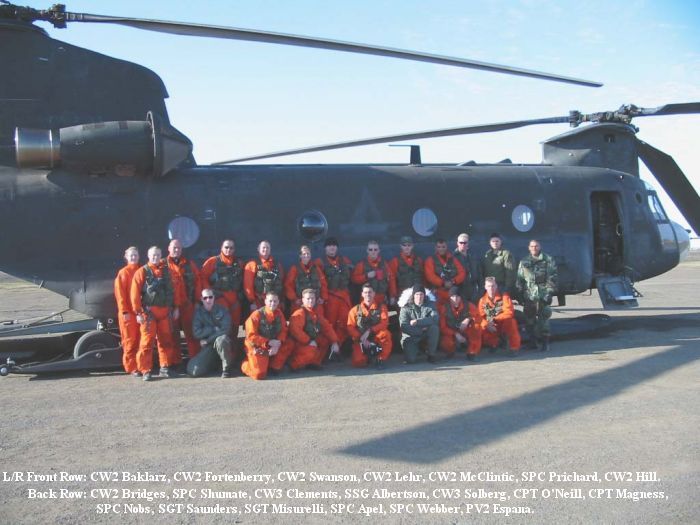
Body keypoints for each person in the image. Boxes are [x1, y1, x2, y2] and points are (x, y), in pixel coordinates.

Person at [130, 246, 181, 381]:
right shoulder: (142, 272)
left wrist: (175, 307)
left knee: (166, 341)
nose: (155, 257)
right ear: (148, 256)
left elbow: (173, 290)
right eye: (153, 255)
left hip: (165, 312)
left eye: (158, 255)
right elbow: (134, 294)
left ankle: (165, 367)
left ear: (161, 256)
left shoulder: (166, 272)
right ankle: (145, 370)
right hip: (149, 313)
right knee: (146, 342)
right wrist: (138, 312)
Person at [516, 239, 558, 351]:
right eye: (532, 246)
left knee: (544, 319)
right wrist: (520, 292)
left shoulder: (548, 260)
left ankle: (545, 343)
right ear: (529, 247)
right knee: (529, 320)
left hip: (542, 294)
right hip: (529, 295)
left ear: (540, 247)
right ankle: (532, 342)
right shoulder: (524, 261)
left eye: (536, 246)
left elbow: (552, 278)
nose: (534, 248)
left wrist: (549, 292)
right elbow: (520, 278)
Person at [241, 291, 291, 379]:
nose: (273, 303)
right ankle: (246, 364)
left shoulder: (279, 314)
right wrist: (269, 343)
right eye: (270, 301)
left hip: (273, 344)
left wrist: (278, 343)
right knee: (259, 375)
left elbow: (284, 330)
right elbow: (251, 336)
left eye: (275, 301)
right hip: (257, 345)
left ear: (278, 302)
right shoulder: (256, 315)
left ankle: (273, 366)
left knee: (289, 343)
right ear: (265, 301)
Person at [287, 289, 340, 371]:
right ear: (303, 300)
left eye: (312, 298)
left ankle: (314, 362)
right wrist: (308, 341)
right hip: (299, 343)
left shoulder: (316, 313)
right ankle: (294, 364)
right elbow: (295, 331)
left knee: (325, 340)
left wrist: (334, 341)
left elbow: (327, 327)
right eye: (308, 299)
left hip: (309, 340)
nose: (310, 301)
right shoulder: (299, 314)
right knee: (311, 349)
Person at [200, 239, 244, 338]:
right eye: (226, 247)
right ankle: (220, 351)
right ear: (221, 248)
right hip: (220, 298)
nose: (228, 250)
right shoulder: (212, 262)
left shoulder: (239, 263)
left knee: (235, 327)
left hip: (235, 299)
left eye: (231, 248)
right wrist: (209, 295)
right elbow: (202, 277)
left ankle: (232, 352)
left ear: (234, 249)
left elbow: (244, 281)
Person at [314, 237, 353, 347]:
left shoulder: (345, 261)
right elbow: (319, 282)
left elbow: (353, 277)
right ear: (325, 248)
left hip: (344, 297)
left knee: (346, 323)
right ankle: (327, 349)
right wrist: (323, 297)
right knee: (329, 325)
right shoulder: (319, 262)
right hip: (330, 297)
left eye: (334, 245)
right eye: (329, 245)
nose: (332, 248)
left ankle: (337, 347)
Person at [166, 239, 201, 358]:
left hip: (187, 304)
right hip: (170, 307)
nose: (176, 250)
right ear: (169, 249)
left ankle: (195, 359)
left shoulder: (189, 264)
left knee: (192, 333)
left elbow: (198, 282)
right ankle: (175, 362)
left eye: (179, 248)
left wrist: (197, 302)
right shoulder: (162, 265)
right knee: (172, 335)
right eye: (174, 248)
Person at [189, 288, 234, 378]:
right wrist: (212, 329)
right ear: (201, 299)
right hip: (208, 347)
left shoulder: (223, 310)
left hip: (218, 343)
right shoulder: (198, 313)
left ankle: (226, 369)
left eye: (210, 297)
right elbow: (196, 333)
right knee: (193, 371)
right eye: (205, 298)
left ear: (214, 298)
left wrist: (208, 339)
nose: (208, 300)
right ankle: (214, 364)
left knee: (222, 340)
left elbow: (226, 329)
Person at [347, 284, 393, 368]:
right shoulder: (354, 310)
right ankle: (368, 358)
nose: (368, 294)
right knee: (358, 362)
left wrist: (370, 330)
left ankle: (380, 359)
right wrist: (361, 338)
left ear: (374, 293)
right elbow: (350, 328)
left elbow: (384, 323)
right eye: (365, 292)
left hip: (376, 337)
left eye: (370, 292)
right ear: (362, 294)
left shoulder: (381, 307)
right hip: (361, 339)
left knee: (385, 334)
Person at [114, 246, 141, 376]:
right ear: (126, 257)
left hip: (140, 313)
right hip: (128, 314)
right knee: (130, 341)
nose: (134, 257)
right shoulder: (123, 273)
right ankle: (131, 367)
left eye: (135, 255)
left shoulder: (142, 271)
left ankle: (142, 365)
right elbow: (120, 295)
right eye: (131, 255)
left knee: (142, 341)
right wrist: (124, 311)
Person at [478, 276, 521, 355]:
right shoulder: (482, 301)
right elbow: (480, 317)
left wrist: (494, 319)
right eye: (489, 286)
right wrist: (487, 324)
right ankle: (494, 344)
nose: (491, 288)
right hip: (491, 326)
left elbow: (509, 312)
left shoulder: (504, 296)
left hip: (503, 324)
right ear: (485, 287)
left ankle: (514, 348)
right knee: (480, 327)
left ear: (496, 286)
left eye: (493, 286)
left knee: (512, 322)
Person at [399, 286, 440, 364]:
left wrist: (418, 322)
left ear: (424, 295)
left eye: (421, 294)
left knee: (434, 328)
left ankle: (431, 354)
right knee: (410, 360)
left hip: (426, 333)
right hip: (410, 336)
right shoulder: (405, 307)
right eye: (417, 294)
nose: (419, 297)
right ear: (413, 295)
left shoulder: (430, 305)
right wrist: (420, 330)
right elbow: (404, 326)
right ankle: (417, 350)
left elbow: (434, 318)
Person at [439, 286, 482, 360]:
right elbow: (442, 327)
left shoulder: (468, 305)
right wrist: (455, 334)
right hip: (451, 332)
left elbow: (478, 317)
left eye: (457, 296)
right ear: (449, 298)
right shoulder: (444, 308)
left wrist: (468, 318)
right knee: (446, 342)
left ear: (461, 297)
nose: (455, 299)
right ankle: (450, 351)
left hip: (466, 330)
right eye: (452, 296)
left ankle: (472, 352)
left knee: (477, 326)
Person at [285, 245, 328, 313]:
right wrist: (294, 299)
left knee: (318, 320)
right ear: (300, 255)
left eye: (308, 253)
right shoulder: (295, 269)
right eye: (304, 254)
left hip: (315, 303)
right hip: (300, 304)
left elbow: (323, 283)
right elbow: (288, 285)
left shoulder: (316, 268)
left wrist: (323, 297)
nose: (306, 255)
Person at [351, 240, 396, 306]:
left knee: (383, 316)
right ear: (367, 250)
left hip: (382, 299)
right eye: (370, 249)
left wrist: (392, 296)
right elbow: (354, 279)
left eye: (375, 249)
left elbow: (391, 279)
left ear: (379, 251)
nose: (373, 251)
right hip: (367, 300)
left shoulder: (384, 264)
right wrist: (366, 276)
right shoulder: (361, 264)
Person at [244, 240, 284, 310]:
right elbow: (248, 285)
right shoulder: (252, 264)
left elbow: (281, 282)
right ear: (258, 249)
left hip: (274, 302)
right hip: (258, 302)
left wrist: (281, 300)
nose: (265, 249)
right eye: (263, 247)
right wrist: (252, 302)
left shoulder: (277, 265)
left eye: (267, 248)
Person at [424, 238, 466, 305]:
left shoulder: (453, 259)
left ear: (446, 247)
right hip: (437, 292)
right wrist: (442, 283)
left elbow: (462, 273)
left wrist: (453, 281)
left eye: (443, 247)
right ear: (435, 248)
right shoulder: (430, 260)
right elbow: (430, 276)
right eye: (439, 247)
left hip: (453, 293)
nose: (441, 249)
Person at [454, 233, 483, 303]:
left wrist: (480, 292)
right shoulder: (452, 258)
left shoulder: (473, 257)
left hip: (473, 291)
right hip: (459, 291)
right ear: (457, 243)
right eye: (461, 243)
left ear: (468, 244)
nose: (463, 244)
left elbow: (480, 275)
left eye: (465, 243)